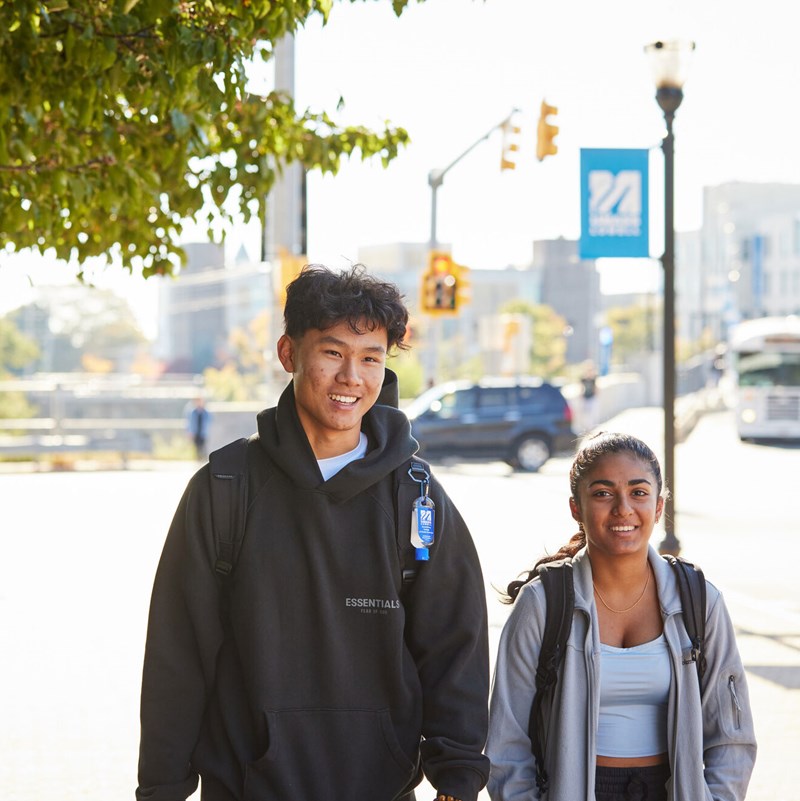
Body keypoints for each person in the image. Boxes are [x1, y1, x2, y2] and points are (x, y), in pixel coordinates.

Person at [137, 264, 490, 801]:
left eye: (371, 357)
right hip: (245, 788)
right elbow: (177, 652)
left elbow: (454, 645)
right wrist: (162, 786)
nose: (352, 376)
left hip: (380, 787)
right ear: (289, 354)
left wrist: (458, 778)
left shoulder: (414, 496)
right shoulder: (225, 488)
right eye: (332, 352)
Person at [486, 432, 756, 801]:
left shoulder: (699, 600)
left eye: (639, 492)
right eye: (602, 493)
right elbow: (506, 739)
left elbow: (732, 734)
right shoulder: (543, 603)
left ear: (659, 507)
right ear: (576, 508)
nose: (623, 508)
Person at [185, 396, 212, 460]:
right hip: (196, 433)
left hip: (203, 433)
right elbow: (190, 423)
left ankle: (204, 459)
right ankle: (198, 459)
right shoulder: (193, 413)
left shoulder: (206, 413)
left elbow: (209, 422)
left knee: (203, 447)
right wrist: (190, 432)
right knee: (197, 448)